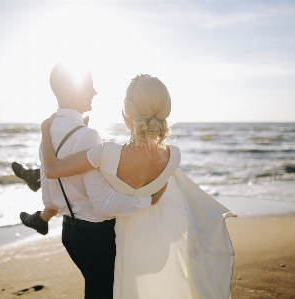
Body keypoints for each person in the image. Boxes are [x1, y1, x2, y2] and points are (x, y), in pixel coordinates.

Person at [39, 74, 235, 298]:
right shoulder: (174, 157)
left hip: (122, 246)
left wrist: (46, 130)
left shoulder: (107, 154)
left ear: (127, 113)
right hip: (156, 244)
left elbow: (53, 169)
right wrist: (150, 199)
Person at [20, 62, 166, 299]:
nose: (95, 92)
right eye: (88, 86)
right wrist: (148, 200)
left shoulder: (48, 134)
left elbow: (50, 198)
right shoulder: (88, 136)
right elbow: (103, 204)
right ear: (68, 89)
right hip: (97, 238)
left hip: (69, 234)